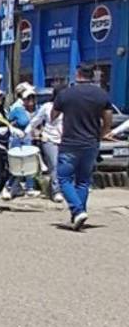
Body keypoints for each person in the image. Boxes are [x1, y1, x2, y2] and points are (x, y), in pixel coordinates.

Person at [53, 64, 113, 229]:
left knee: (64, 179)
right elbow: (108, 119)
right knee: (83, 181)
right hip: (91, 143)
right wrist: (102, 133)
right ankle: (78, 215)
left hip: (70, 143)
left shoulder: (66, 94)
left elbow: (53, 115)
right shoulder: (101, 94)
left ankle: (78, 210)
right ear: (92, 75)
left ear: (77, 74)